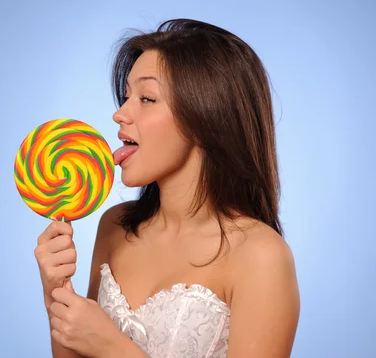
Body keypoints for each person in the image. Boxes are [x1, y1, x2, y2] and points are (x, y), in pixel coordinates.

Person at [34, 18, 300, 358]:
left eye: (146, 98)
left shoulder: (261, 256)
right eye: (126, 95)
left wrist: (113, 348)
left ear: (206, 118)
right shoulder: (114, 226)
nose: (120, 114)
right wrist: (55, 293)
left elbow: (104, 347)